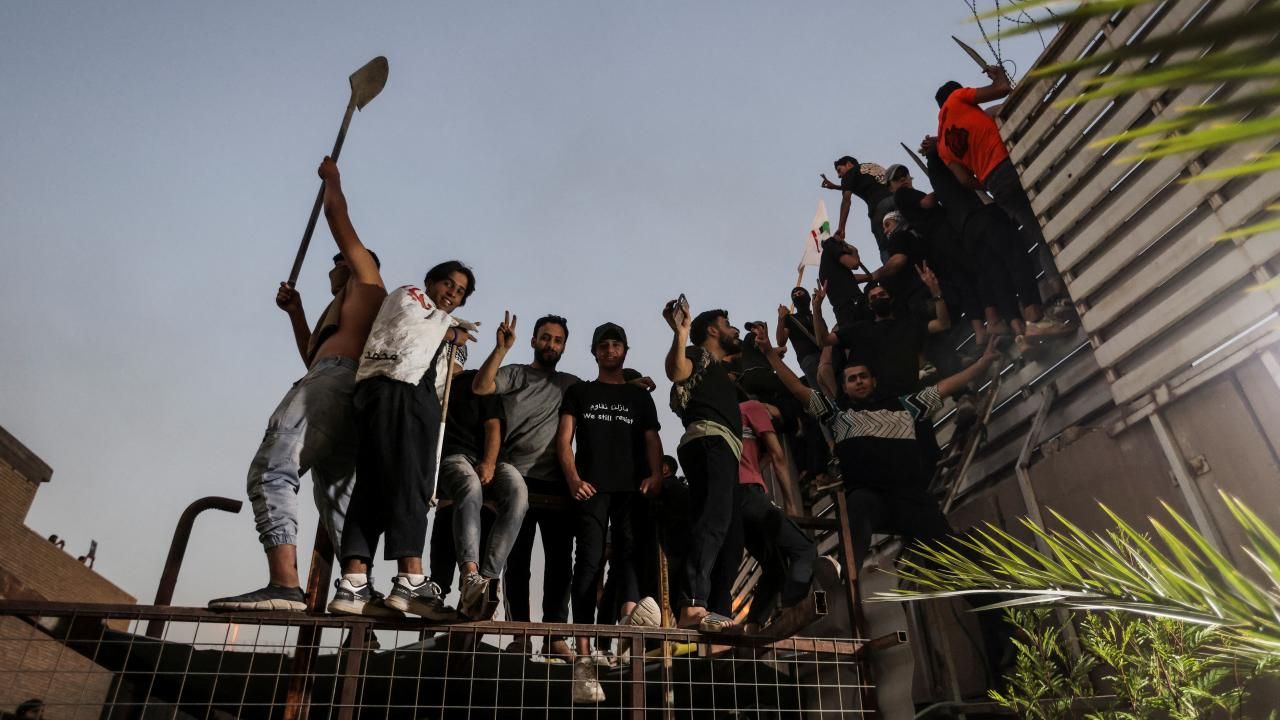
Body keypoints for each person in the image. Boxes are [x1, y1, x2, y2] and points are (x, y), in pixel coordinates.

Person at [210, 157, 387, 612]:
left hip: (334, 382)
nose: (332, 267)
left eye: (338, 261)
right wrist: (297, 313)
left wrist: (333, 180)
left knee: (272, 469)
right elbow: (313, 356)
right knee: (337, 502)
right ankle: (360, 605)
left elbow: (337, 217)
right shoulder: (344, 307)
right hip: (336, 388)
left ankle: (285, 584)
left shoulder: (367, 281)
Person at [752, 325, 1001, 567]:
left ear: (873, 381)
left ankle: (985, 586)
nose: (859, 381)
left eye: (863, 377)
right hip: (870, 498)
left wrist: (982, 364)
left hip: (910, 497)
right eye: (852, 379)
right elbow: (799, 389)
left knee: (947, 553)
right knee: (858, 506)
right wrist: (769, 354)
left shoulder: (904, 407)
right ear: (845, 387)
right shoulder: (838, 415)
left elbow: (943, 388)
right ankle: (843, 571)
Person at [328, 259, 477, 619]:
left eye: (459, 292)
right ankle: (411, 580)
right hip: (401, 390)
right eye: (448, 284)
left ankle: (354, 583)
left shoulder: (437, 318)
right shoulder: (410, 296)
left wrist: (452, 335)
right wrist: (453, 333)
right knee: (412, 482)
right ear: (430, 281)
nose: (452, 294)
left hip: (389, 394)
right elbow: (414, 331)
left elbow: (445, 368)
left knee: (372, 489)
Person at [557, 322, 663, 703]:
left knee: (628, 557)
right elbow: (564, 439)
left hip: (631, 490)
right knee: (588, 561)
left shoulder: (639, 397)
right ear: (594, 352)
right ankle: (584, 654)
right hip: (592, 487)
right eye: (603, 345)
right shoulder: (580, 392)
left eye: (616, 344)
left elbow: (652, 438)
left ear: (625, 351)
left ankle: (619, 631)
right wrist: (573, 478)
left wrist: (656, 474)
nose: (610, 350)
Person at [473, 313, 581, 658]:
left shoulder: (571, 384)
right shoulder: (515, 373)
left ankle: (555, 634)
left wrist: (633, 384)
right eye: (545, 337)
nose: (551, 344)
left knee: (560, 562)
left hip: (557, 483)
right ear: (534, 340)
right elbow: (482, 386)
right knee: (516, 561)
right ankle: (520, 634)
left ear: (564, 347)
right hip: (514, 479)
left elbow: (602, 395)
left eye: (558, 340)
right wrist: (500, 349)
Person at [920, 136, 1071, 340]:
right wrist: (988, 185)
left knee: (997, 276)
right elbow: (964, 177)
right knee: (1016, 257)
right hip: (982, 212)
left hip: (966, 230)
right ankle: (1035, 319)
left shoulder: (934, 174)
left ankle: (1019, 333)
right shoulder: (947, 154)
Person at [935, 66, 1061, 291]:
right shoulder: (957, 98)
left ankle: (1057, 286)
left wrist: (987, 182)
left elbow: (964, 180)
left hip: (995, 184)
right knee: (1055, 208)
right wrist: (998, 74)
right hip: (1010, 166)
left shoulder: (942, 144)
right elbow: (1002, 89)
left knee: (1039, 233)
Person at [663, 301, 744, 632]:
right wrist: (681, 333)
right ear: (712, 330)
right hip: (710, 441)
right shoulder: (699, 355)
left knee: (732, 537)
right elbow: (676, 371)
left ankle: (718, 612)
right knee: (712, 522)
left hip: (725, 450)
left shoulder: (721, 370)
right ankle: (692, 605)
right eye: (728, 323)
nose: (735, 329)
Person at [709, 399, 817, 633]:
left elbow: (758, 461)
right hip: (748, 493)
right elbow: (778, 456)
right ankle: (791, 610)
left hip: (728, 499)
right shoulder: (753, 407)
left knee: (774, 566)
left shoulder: (730, 418)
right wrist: (791, 504)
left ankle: (753, 626)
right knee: (804, 549)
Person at [436, 368, 527, 620]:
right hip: (453, 459)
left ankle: (486, 581)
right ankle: (470, 575)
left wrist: (489, 462)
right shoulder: (428, 384)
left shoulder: (473, 380)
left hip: (488, 459)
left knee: (517, 491)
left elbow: (493, 426)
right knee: (469, 485)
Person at [814, 271, 950, 399]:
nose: (878, 298)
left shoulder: (908, 325)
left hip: (909, 396)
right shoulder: (860, 329)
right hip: (875, 402)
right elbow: (824, 341)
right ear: (869, 306)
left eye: (882, 295)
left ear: (891, 299)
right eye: (873, 298)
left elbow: (942, 324)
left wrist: (936, 292)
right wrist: (817, 308)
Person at [820, 155, 896, 260]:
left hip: (880, 207)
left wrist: (841, 228)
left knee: (885, 247)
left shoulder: (849, 174)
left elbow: (846, 200)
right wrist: (835, 187)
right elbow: (867, 183)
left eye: (839, 170)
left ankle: (892, 267)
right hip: (898, 200)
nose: (839, 176)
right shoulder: (871, 166)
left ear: (848, 164)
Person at [817, 236, 872, 330]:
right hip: (852, 306)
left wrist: (871, 277)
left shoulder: (830, 268)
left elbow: (853, 278)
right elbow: (854, 264)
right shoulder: (830, 245)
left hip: (843, 313)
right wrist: (854, 251)